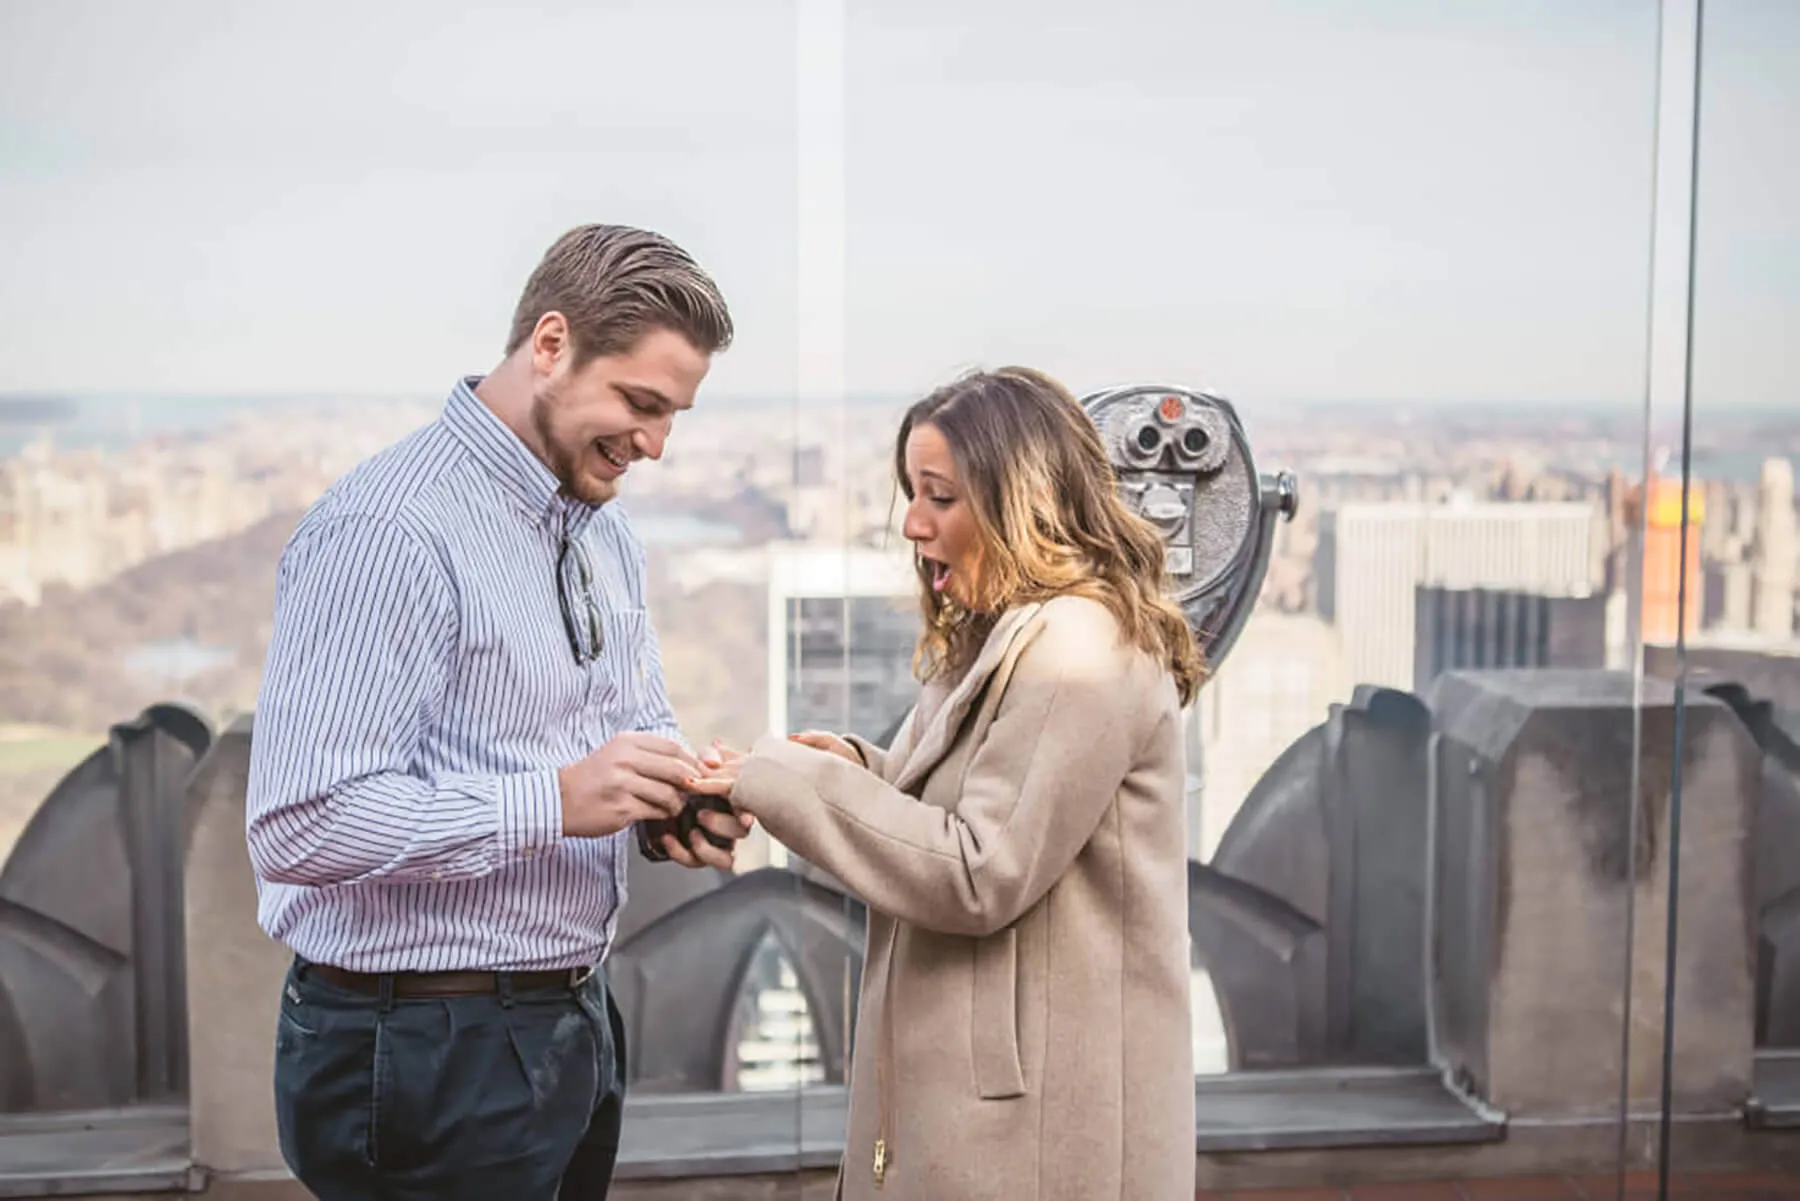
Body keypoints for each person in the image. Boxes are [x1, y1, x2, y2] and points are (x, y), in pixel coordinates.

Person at [244, 223, 753, 1201]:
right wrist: (555, 802)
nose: (656, 444)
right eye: (641, 404)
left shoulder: (604, 531)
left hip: (564, 1024)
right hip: (420, 1047)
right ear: (550, 345)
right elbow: (299, 823)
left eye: (674, 414)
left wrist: (671, 803)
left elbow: (618, 738)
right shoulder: (392, 530)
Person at [690, 366, 1202, 1201]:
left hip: (1039, 1139)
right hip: (994, 1118)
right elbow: (976, 806)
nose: (912, 522)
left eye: (939, 497)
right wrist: (858, 770)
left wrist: (779, 779)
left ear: (1017, 502)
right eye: (911, 492)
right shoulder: (1004, 635)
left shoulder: (1078, 651)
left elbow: (978, 870)